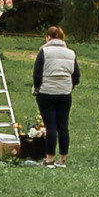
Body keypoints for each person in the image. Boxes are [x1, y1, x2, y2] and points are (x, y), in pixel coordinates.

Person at [28, 25, 79, 167]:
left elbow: (37, 74)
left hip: (47, 92)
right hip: (65, 93)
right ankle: (62, 159)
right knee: (63, 126)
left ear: (48, 37)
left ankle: (49, 158)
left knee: (51, 127)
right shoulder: (71, 53)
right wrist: (68, 86)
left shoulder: (44, 51)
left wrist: (37, 88)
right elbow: (76, 76)